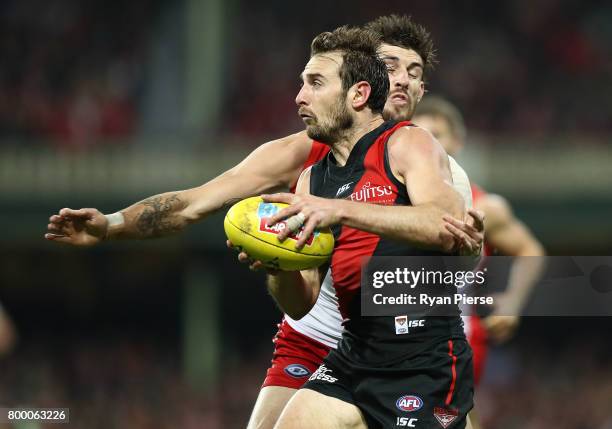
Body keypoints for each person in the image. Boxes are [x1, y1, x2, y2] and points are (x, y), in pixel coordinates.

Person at [44, 15, 483, 429]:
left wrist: (467, 257)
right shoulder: (310, 165)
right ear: (368, 84)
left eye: (414, 70)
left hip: (415, 345)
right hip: (329, 337)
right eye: (391, 65)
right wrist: (279, 264)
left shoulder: (422, 152)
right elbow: (197, 203)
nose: (402, 78)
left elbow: (452, 241)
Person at [249, 25, 474, 429]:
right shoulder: (310, 181)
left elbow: (447, 225)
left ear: (358, 94)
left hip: (425, 361)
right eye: (302, 84)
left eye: (315, 83)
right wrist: (276, 265)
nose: (300, 97)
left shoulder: (408, 143)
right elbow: (302, 302)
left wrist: (340, 210)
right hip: (354, 356)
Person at [414, 96, 546, 428]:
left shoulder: (485, 206)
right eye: (418, 134)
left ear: (457, 141)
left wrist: (511, 303)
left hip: (457, 339)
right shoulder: (386, 201)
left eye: (437, 135)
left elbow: (531, 251)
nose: (428, 143)